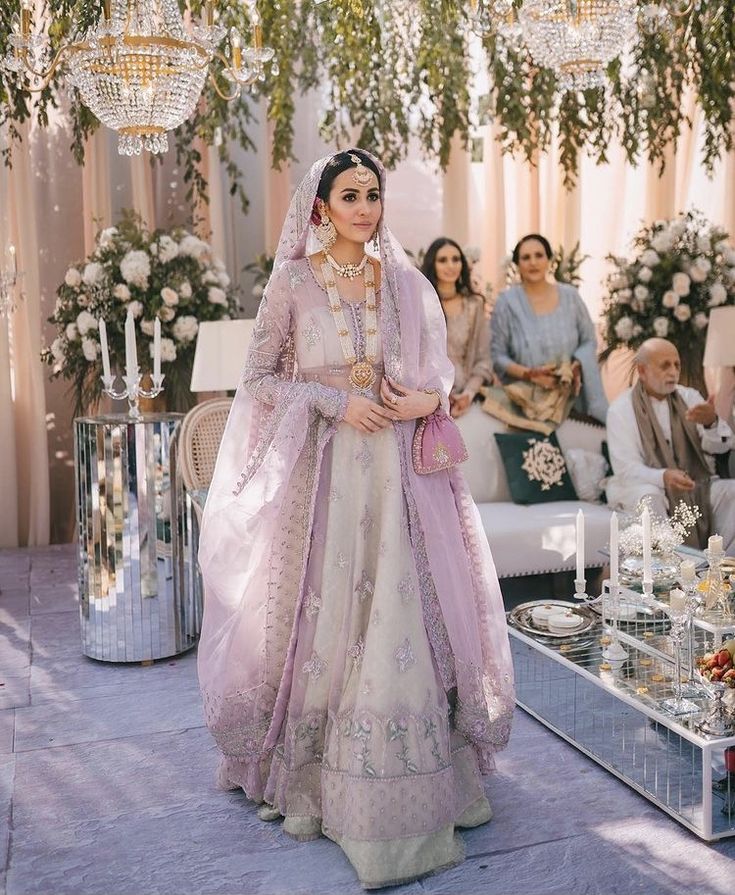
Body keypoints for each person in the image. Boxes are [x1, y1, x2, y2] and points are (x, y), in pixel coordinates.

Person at [197, 149, 514, 889]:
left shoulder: (403, 282)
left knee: (407, 607)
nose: (364, 207)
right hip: (329, 479)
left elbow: (435, 373)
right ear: (320, 207)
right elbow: (260, 379)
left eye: (372, 194)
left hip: (403, 474)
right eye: (349, 195)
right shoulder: (293, 284)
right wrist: (337, 401)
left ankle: (421, 774)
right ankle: (318, 771)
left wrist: (423, 400)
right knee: (332, 611)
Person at [606, 337, 735, 552]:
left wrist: (712, 423)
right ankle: (670, 571)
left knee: (732, 491)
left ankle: (722, 569)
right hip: (640, 485)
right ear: (642, 371)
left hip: (694, 482)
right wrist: (663, 477)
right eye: (665, 365)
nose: (673, 372)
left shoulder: (689, 396)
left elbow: (720, 448)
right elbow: (626, 469)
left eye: (677, 365)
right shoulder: (621, 410)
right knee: (650, 496)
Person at [490, 233, 608, 425]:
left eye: (539, 255)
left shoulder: (571, 297)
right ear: (517, 264)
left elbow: (589, 340)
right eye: (525, 258)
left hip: (571, 396)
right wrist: (530, 374)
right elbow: (498, 356)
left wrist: (576, 366)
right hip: (526, 403)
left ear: (549, 260)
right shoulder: (507, 303)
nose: (533, 262)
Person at [421, 238, 492, 419]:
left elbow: (484, 359)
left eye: (456, 259)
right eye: (443, 260)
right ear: (432, 264)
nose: (451, 265)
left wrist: (468, 394)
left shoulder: (474, 305)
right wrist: (438, 396)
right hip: (427, 397)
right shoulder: (422, 304)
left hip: (467, 395)